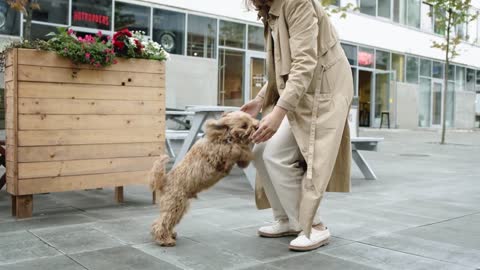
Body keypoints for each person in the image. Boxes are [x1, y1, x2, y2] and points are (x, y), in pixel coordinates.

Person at [241, 0, 354, 251]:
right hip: (303, 89)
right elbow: (282, 64)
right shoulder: (270, 8)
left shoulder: (297, 2)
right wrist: (260, 101)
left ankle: (313, 226)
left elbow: (304, 62)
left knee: (276, 155)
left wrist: (279, 112)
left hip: (325, 89)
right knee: (260, 152)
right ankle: (287, 220)